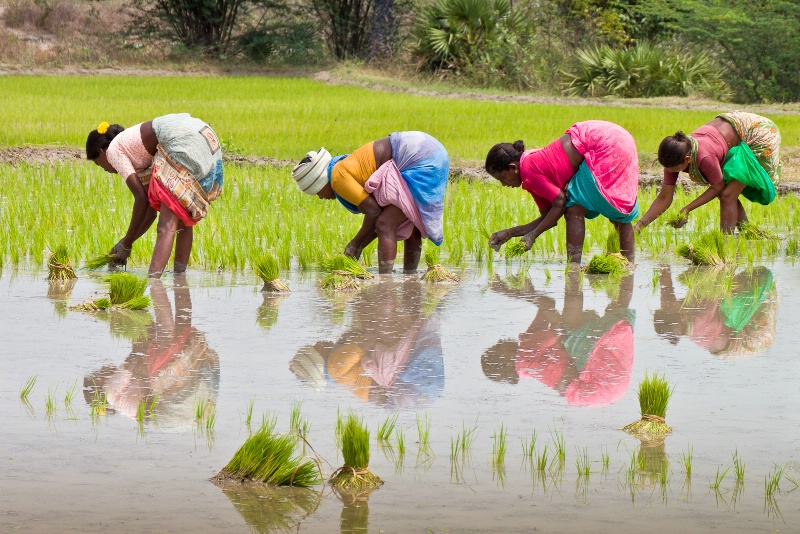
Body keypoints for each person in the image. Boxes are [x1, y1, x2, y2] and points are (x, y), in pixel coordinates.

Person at [86, 114, 224, 277]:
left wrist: (126, 245)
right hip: (205, 135)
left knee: (166, 226)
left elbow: (141, 199)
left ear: (101, 152)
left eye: (98, 163)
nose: (103, 168)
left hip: (185, 138)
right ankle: (180, 279)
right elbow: (150, 211)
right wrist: (126, 242)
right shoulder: (134, 151)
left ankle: (154, 282)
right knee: (182, 219)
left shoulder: (113, 151)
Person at [291, 131, 449, 274]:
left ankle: (385, 284)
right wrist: (359, 244)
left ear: (320, 182)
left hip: (420, 157)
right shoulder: (345, 166)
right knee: (409, 222)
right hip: (433, 151)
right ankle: (410, 277)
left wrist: (355, 244)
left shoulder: (338, 177)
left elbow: (374, 212)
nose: (320, 197)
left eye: (316, 192)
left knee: (385, 224)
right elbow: (375, 211)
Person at [485, 120, 640, 264]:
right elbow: (549, 217)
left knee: (574, 208)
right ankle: (629, 264)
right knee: (619, 214)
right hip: (619, 138)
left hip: (606, 144)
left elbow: (560, 203)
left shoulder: (528, 172)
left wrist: (533, 235)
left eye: (502, 178)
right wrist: (509, 233)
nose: (504, 184)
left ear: (513, 168)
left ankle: (573, 267)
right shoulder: (529, 165)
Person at [482, 270, 635, 407]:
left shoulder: (527, 360)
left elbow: (547, 304)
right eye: (497, 347)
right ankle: (575, 269)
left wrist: (521, 292)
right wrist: (509, 292)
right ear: (504, 360)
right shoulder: (525, 355)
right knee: (570, 320)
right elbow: (557, 325)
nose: (500, 342)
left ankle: (627, 267)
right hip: (596, 383)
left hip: (613, 389)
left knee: (617, 311)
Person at [635, 111, 782, 232]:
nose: (669, 171)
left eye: (673, 169)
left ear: (688, 159)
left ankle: (726, 243)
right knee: (727, 194)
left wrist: (687, 209)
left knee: (727, 195)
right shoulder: (674, 156)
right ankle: (749, 233)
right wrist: (639, 225)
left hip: (759, 133)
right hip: (733, 126)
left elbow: (717, 187)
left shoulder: (704, 157)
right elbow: (664, 197)